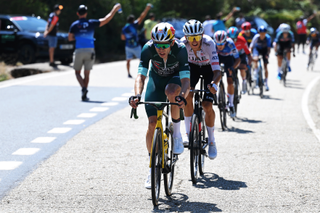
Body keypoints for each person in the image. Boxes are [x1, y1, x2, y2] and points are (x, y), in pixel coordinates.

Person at [128, 23, 190, 189]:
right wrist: (137, 95)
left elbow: (186, 81)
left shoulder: (181, 49)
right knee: (151, 123)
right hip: (155, 81)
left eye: (164, 45)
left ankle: (176, 134)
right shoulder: (147, 49)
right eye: (157, 45)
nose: (160, 49)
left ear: (171, 43)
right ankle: (152, 167)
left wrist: (182, 97)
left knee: (172, 93)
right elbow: (140, 76)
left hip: (174, 80)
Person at [181, 19, 221, 159]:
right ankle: (187, 133)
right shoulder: (182, 44)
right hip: (192, 68)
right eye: (191, 38)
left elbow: (217, 71)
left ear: (202, 35)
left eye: (197, 37)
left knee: (207, 105)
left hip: (208, 69)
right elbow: (180, 68)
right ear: (186, 37)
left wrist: (214, 85)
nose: (194, 41)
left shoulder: (209, 43)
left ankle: (211, 141)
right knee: (187, 95)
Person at [68, 4, 121, 101]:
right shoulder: (91, 23)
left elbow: (70, 38)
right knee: (87, 73)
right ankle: (85, 91)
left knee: (77, 72)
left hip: (79, 50)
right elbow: (106, 19)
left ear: (77, 13)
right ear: (86, 13)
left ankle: (83, 88)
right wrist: (114, 9)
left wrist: (78, 36)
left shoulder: (74, 25)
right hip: (90, 50)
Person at [213, 30, 240, 118]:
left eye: (222, 44)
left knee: (230, 81)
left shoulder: (230, 43)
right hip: (218, 58)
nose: (220, 46)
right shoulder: (213, 44)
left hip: (229, 59)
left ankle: (231, 104)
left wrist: (233, 67)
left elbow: (238, 59)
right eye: (218, 44)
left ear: (225, 41)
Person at [121, 4, 152, 78]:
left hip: (128, 46)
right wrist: (146, 9)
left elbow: (122, 38)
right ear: (133, 20)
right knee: (141, 60)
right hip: (136, 46)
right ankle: (142, 73)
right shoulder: (134, 25)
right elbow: (142, 17)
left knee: (128, 60)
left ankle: (128, 73)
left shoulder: (124, 28)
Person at [227, 26, 252, 94]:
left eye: (234, 39)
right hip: (232, 56)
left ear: (237, 36)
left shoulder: (242, 40)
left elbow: (248, 54)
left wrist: (248, 65)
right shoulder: (225, 40)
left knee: (242, 68)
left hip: (241, 55)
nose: (232, 41)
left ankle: (244, 81)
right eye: (231, 39)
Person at [250, 26, 272, 91]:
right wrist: (251, 54)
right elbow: (251, 47)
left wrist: (267, 55)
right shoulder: (256, 37)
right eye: (261, 33)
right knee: (255, 59)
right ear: (258, 33)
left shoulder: (268, 38)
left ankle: (266, 84)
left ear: (265, 33)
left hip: (264, 50)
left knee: (265, 66)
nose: (262, 35)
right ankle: (255, 73)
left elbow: (268, 48)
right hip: (257, 49)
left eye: (263, 33)